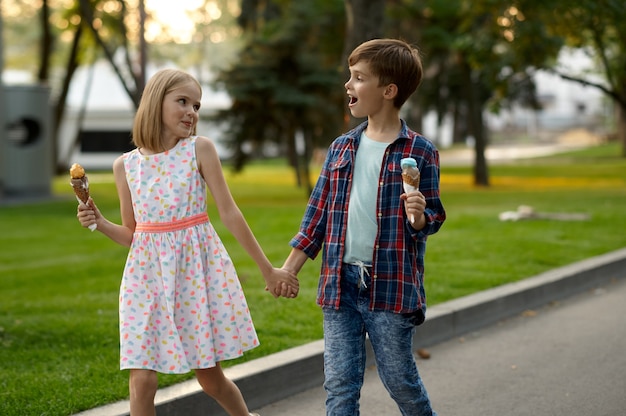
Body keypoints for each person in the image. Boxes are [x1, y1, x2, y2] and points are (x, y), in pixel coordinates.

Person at [76, 68, 298, 416]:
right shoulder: (126, 166)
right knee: (142, 379)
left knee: (209, 378)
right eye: (182, 101)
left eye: (196, 105)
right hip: (145, 279)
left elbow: (230, 213)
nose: (191, 112)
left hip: (194, 275)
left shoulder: (199, 150)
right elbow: (132, 234)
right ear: (155, 102)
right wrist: (100, 223)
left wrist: (268, 269)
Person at [281, 38, 446, 415]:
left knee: (400, 381)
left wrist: (419, 215)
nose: (348, 85)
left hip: (390, 285)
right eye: (349, 76)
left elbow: (432, 216)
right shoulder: (341, 148)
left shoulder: (420, 151)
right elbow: (317, 216)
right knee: (339, 385)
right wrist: (289, 269)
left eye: (358, 78)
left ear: (388, 91)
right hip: (340, 283)